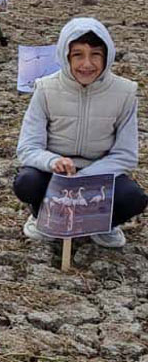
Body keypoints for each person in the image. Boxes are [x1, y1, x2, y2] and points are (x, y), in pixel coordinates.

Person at [14, 18, 145, 248]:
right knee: (27, 182)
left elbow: (126, 155)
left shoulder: (124, 93)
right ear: (66, 56)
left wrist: (87, 178)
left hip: (100, 174)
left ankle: (103, 224)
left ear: (107, 56)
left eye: (95, 54)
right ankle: (43, 217)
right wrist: (54, 162)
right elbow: (28, 147)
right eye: (78, 55)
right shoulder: (45, 88)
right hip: (55, 174)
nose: (87, 64)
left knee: (133, 197)